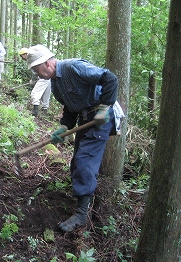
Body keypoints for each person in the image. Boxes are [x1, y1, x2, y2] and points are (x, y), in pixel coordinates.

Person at [26, 44, 124, 233]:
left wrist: (104, 108)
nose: (38, 75)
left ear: (47, 63)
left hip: (101, 117)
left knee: (84, 161)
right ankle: (83, 196)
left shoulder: (73, 67)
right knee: (77, 162)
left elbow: (110, 78)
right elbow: (70, 109)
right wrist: (64, 127)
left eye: (37, 70)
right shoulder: (55, 85)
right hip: (84, 119)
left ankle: (81, 214)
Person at [18, 48, 51, 117]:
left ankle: (35, 111)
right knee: (46, 95)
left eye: (22, 56)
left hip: (43, 77)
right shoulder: (37, 56)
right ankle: (45, 110)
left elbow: (35, 73)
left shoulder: (31, 59)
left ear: (25, 54)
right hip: (49, 76)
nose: (22, 58)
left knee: (35, 93)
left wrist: (32, 81)